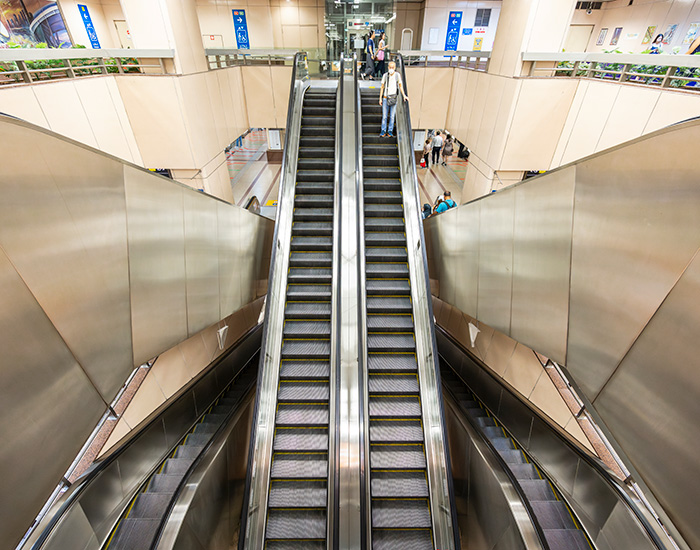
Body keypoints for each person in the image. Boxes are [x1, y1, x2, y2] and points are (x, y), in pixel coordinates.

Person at [378, 61, 409, 137]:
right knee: (384, 116)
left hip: (394, 98)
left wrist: (404, 95)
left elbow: (400, 86)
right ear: (388, 67)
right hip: (385, 98)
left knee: (392, 116)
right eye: (390, 67)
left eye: (393, 67)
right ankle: (383, 131)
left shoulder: (397, 75)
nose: (391, 69)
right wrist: (380, 98)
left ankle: (390, 131)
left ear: (395, 68)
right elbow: (382, 87)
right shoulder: (385, 75)